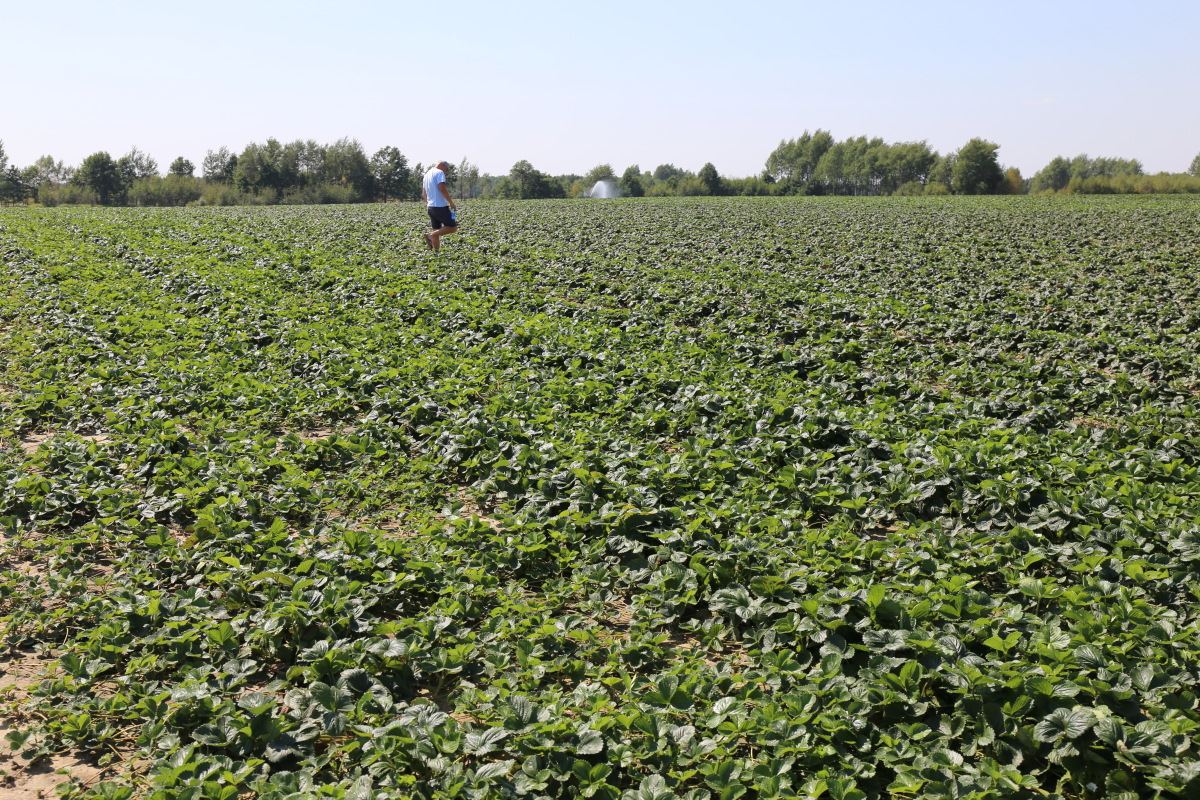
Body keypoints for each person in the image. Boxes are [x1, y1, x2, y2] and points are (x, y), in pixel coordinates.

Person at [421, 160, 458, 250]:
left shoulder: (427, 174)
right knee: (452, 227)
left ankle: (436, 252)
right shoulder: (439, 172)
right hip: (439, 206)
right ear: (442, 166)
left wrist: (429, 202)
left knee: (436, 230)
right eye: (446, 169)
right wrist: (451, 202)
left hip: (430, 207)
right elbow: (442, 188)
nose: (445, 172)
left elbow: (423, 193)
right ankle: (430, 235)